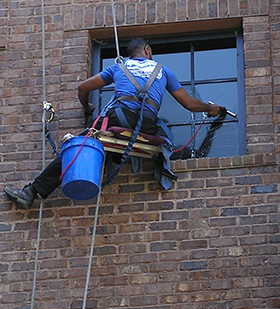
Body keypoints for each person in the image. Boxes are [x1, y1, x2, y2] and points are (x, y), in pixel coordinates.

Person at [4, 37, 224, 209]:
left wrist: (87, 108)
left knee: (79, 146)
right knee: (161, 127)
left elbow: (83, 87)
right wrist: (209, 108)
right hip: (146, 124)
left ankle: (30, 193)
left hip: (119, 118)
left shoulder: (118, 67)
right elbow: (188, 103)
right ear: (147, 51)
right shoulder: (163, 70)